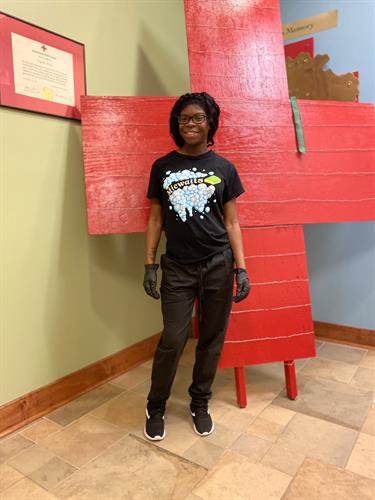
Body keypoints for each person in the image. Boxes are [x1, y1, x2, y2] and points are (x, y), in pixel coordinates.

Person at [143, 92, 250, 441]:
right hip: (178, 267)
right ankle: (155, 405)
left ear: (210, 123)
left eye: (198, 118)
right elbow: (156, 217)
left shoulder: (224, 168)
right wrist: (149, 264)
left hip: (219, 263)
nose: (191, 123)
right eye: (184, 118)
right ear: (177, 124)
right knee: (173, 338)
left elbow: (232, 222)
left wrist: (242, 268)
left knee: (211, 339)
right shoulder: (163, 166)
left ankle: (199, 402)